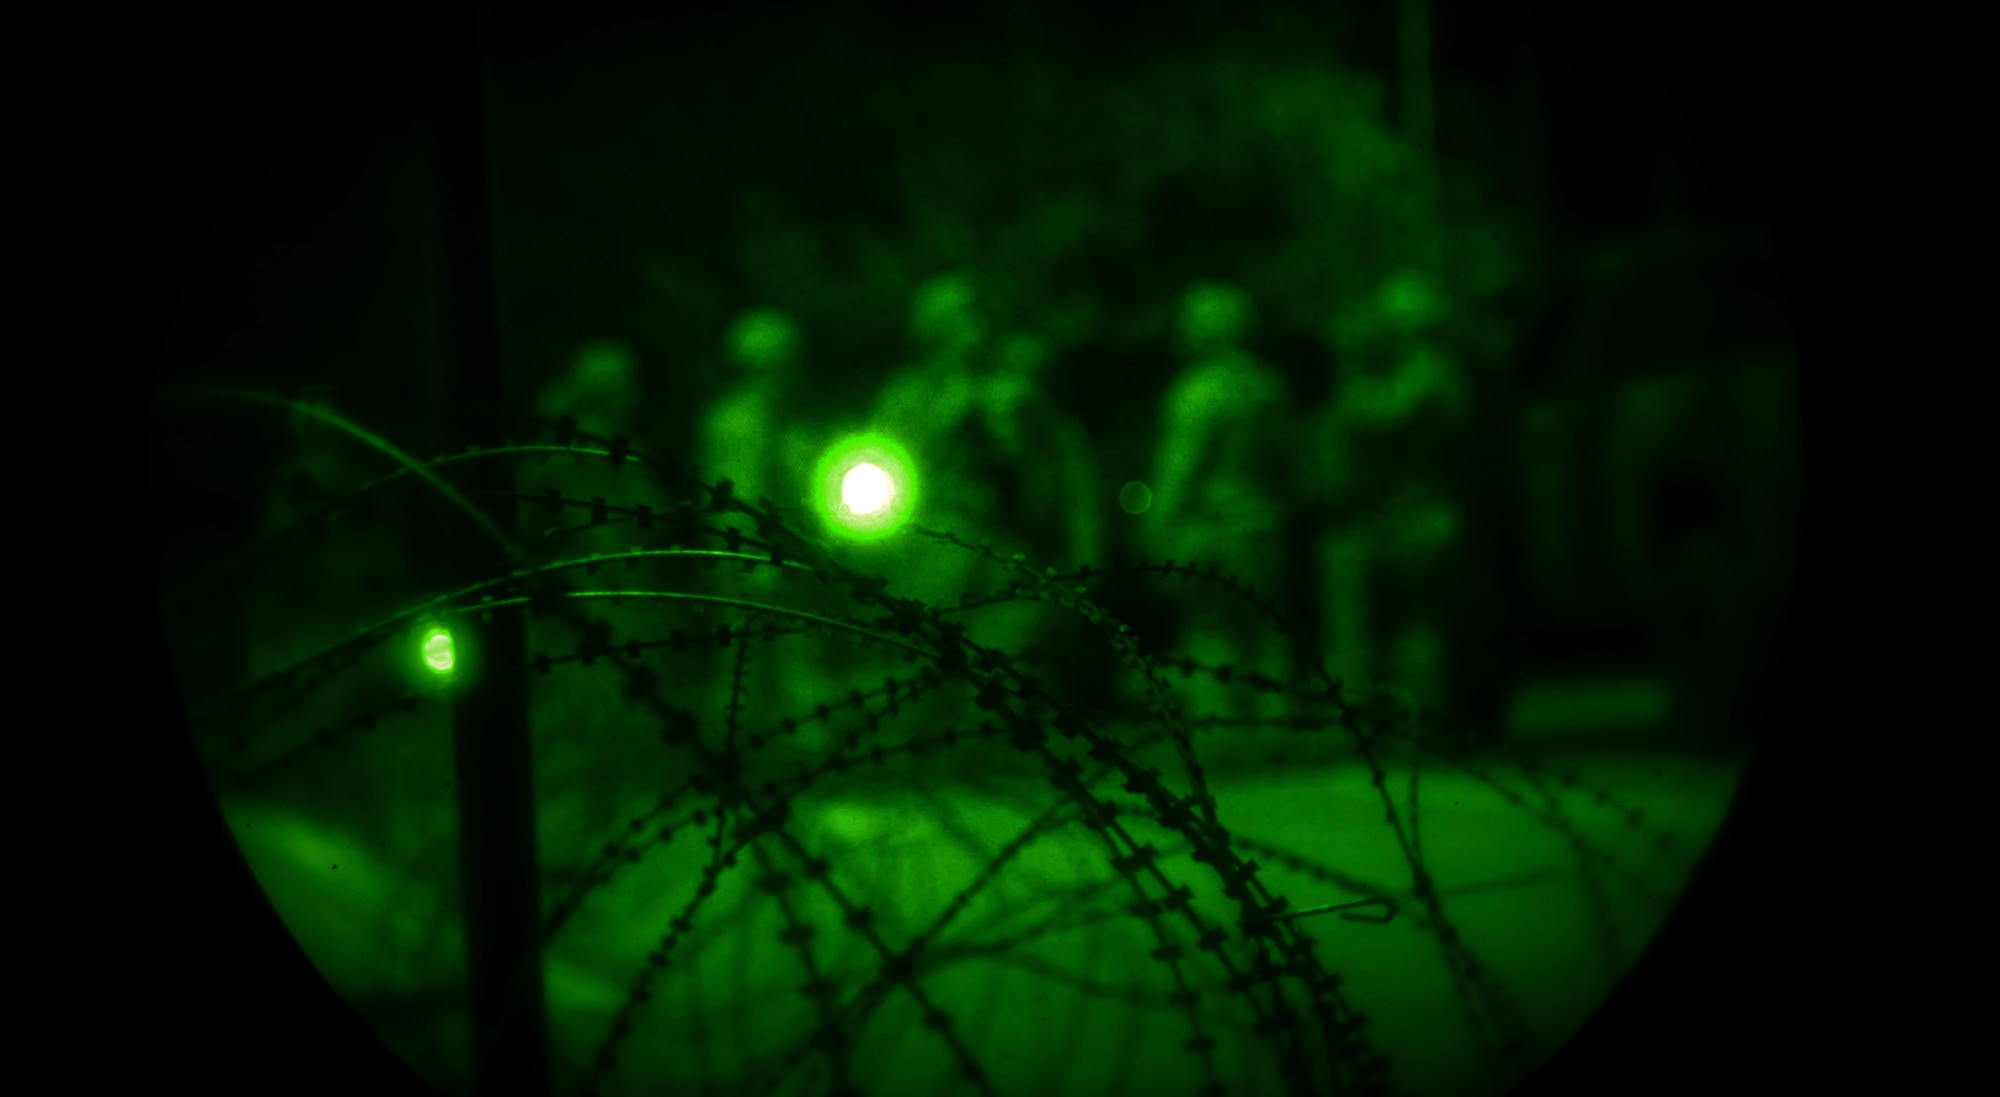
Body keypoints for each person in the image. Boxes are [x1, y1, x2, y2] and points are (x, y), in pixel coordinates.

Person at [1135, 279, 1296, 734]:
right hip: (1263, 527)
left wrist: (1154, 530)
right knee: (1265, 634)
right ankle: (1278, 730)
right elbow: (1288, 463)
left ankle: (1219, 731)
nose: (1180, 330)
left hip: (1209, 529)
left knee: (1209, 633)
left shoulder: (1197, 391)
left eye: (1189, 321)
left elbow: (1179, 470)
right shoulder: (1268, 386)